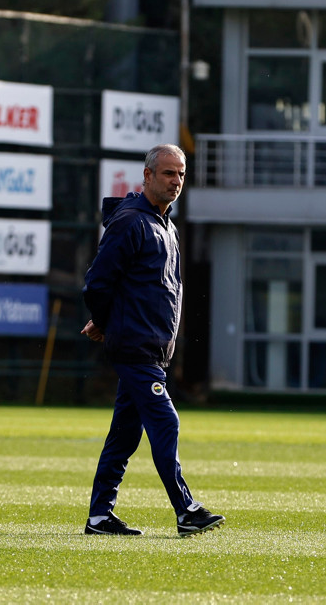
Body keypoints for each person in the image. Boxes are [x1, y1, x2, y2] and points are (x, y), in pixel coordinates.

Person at [80, 144, 225, 537]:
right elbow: (97, 283)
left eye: (180, 174)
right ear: (146, 176)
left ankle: (99, 517)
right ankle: (186, 509)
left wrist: (107, 320)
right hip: (135, 347)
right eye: (167, 173)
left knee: (125, 434)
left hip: (153, 349)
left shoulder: (167, 225)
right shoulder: (130, 221)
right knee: (166, 420)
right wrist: (105, 321)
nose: (176, 181)